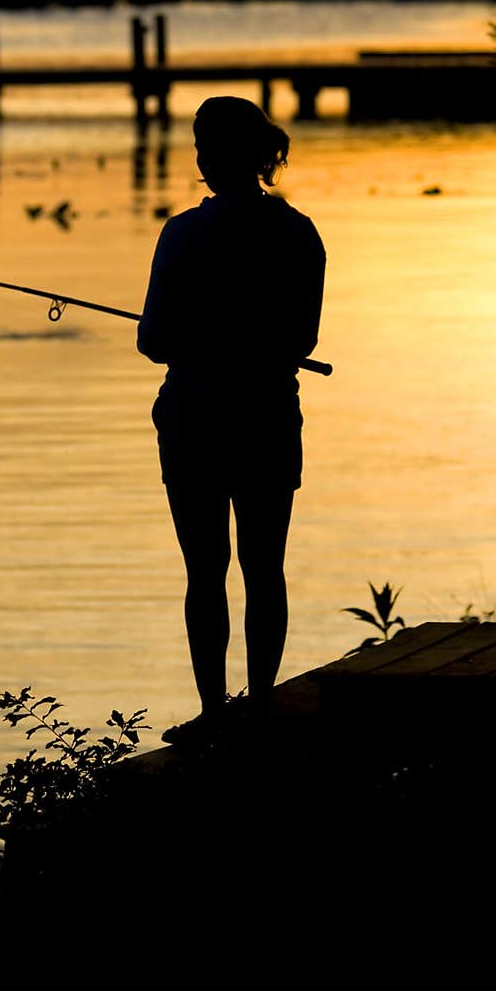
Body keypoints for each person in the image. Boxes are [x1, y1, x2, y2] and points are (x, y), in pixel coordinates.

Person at [137, 96, 325, 744]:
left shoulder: (182, 234)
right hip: (269, 414)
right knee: (264, 567)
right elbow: (302, 336)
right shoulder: (299, 233)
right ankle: (262, 705)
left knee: (205, 570)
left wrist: (199, 336)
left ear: (216, 156)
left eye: (201, 144)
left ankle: (215, 713)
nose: (197, 156)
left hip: (194, 416)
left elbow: (152, 341)